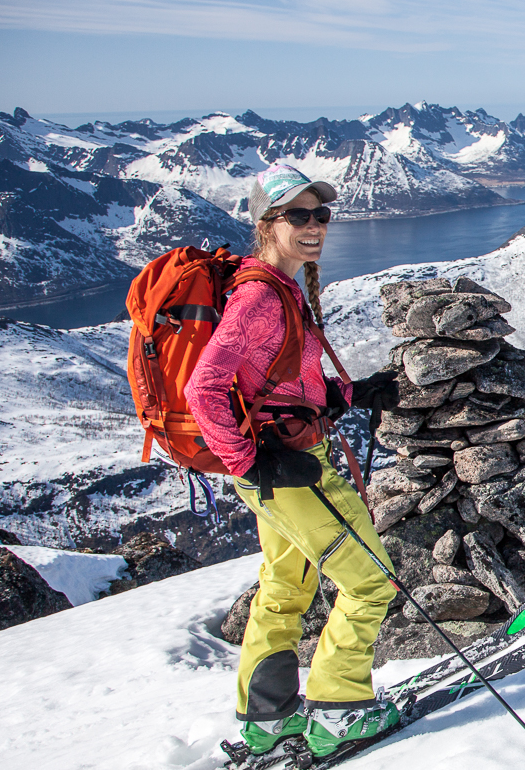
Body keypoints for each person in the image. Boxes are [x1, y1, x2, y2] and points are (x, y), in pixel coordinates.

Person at [186, 164, 400, 758]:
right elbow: (203, 389)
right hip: (286, 471)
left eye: (321, 215)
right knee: (370, 583)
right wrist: (250, 463)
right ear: (265, 223)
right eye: (297, 216)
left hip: (281, 467)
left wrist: (353, 393)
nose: (314, 227)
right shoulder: (259, 295)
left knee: (284, 590)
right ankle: (336, 709)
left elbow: (282, 383)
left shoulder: (280, 286)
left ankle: (267, 720)